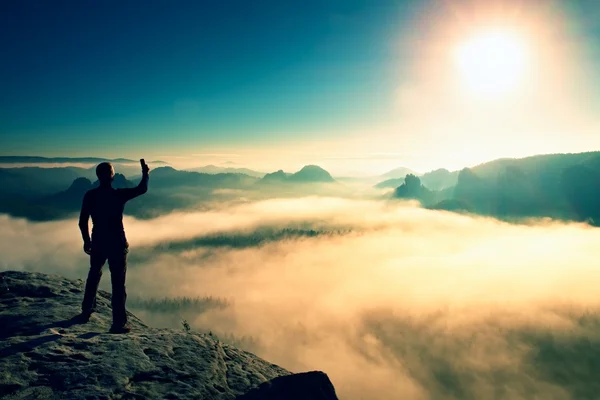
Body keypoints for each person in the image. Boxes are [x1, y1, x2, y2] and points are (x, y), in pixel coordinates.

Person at [78, 159, 150, 333]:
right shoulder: (118, 195)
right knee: (118, 283)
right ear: (112, 176)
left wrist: (87, 241)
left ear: (97, 176)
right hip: (117, 242)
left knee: (94, 275)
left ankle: (87, 310)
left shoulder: (90, 195)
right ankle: (118, 323)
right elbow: (142, 189)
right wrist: (145, 173)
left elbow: (82, 222)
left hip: (98, 241)